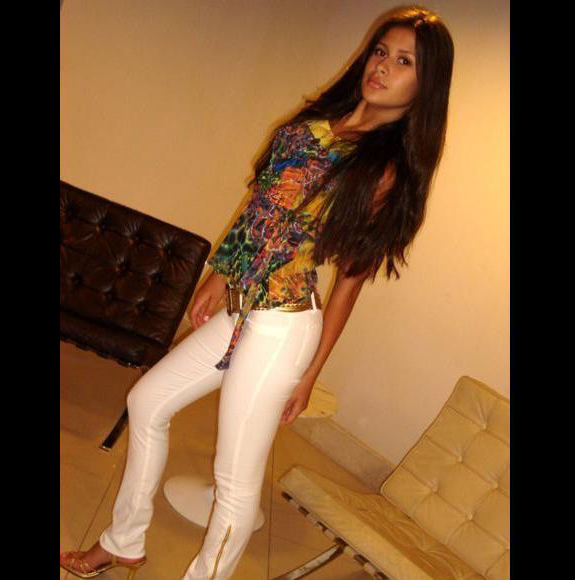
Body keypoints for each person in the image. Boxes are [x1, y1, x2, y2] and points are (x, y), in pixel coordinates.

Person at [60, 5, 454, 579]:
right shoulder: (323, 121)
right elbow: (263, 207)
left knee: (234, 479)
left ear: (426, 84)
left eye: (404, 62)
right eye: (380, 51)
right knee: (147, 401)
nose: (382, 67)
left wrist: (311, 373)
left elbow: (349, 284)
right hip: (242, 308)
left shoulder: (384, 170)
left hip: (282, 328)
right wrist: (221, 273)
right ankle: (124, 540)